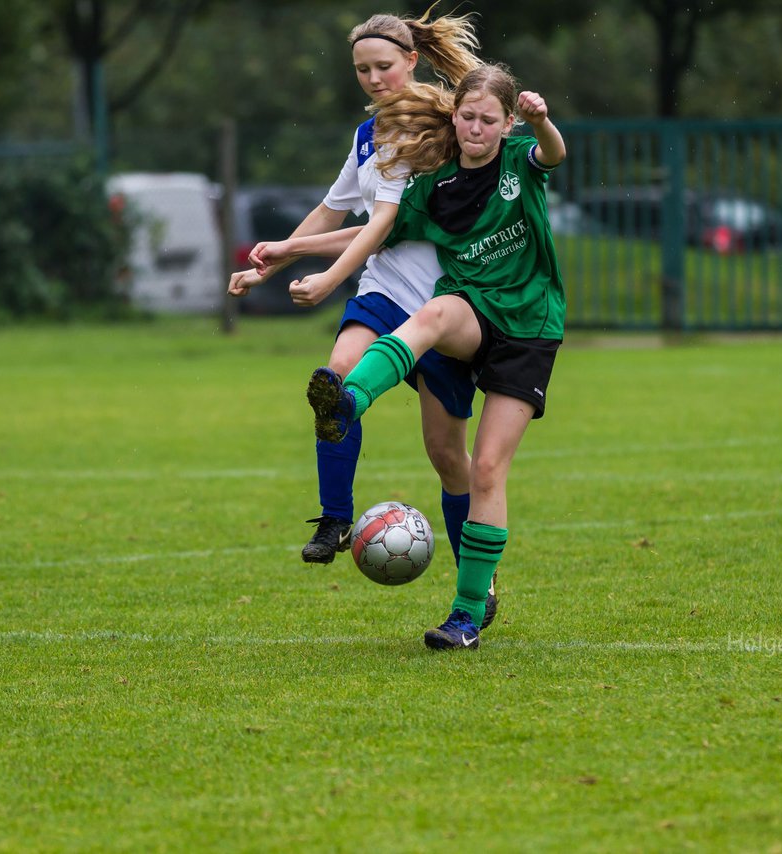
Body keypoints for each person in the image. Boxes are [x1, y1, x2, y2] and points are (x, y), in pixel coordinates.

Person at [226, 9, 499, 627]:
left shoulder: (444, 131)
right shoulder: (366, 137)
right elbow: (332, 210)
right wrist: (267, 262)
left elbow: (378, 225)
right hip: (381, 295)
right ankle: (335, 518)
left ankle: (476, 586)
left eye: (383, 66)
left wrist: (321, 277)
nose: (374, 79)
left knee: (446, 454)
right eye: (362, 70)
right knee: (338, 376)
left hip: (442, 307)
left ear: (412, 62)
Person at [306, 63, 567, 651]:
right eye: (468, 117)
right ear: (456, 116)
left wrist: (542, 121)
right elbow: (370, 231)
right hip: (472, 310)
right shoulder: (432, 185)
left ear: (505, 126)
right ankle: (348, 401)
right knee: (431, 315)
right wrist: (290, 251)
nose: (476, 128)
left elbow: (553, 154)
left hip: (530, 328)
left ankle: (468, 616)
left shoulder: (519, 160)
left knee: (485, 470)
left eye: (489, 120)